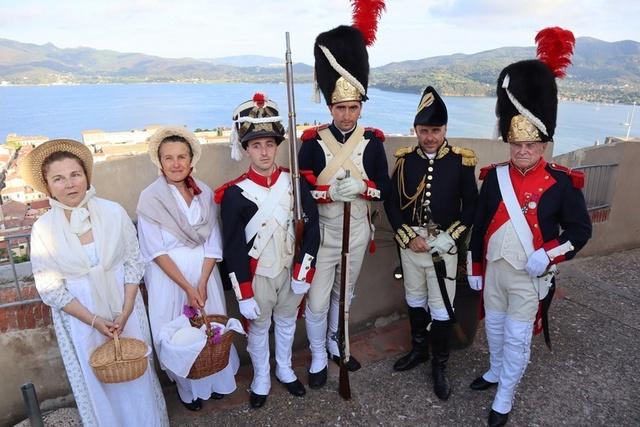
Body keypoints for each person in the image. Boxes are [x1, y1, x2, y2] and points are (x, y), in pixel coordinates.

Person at [467, 28, 592, 427]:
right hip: (495, 271)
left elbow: (580, 231)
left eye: (530, 146)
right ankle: (494, 370)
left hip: (529, 275)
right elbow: (479, 225)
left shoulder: (562, 183)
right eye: (517, 145)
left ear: (543, 146)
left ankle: (505, 394)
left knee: (518, 336)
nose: (522, 151)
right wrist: (474, 265)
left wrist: (550, 253)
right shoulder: (494, 176)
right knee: (494, 328)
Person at [24, 139, 169, 427]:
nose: (69, 184)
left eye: (75, 174)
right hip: (81, 320)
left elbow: (133, 261)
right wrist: (93, 321)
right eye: (58, 178)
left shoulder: (113, 211)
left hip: (125, 309)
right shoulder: (43, 229)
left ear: (86, 176)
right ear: (47, 185)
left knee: (136, 373)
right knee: (97, 381)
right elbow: (50, 287)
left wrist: (126, 311)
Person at [298, 25, 391, 389]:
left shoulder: (372, 142)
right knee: (318, 299)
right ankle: (318, 355)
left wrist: (364, 187)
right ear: (330, 107)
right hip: (324, 233)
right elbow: (304, 192)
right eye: (341, 108)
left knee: (345, 295)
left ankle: (339, 345)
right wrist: (329, 195)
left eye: (353, 108)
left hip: (358, 231)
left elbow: (383, 189)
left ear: (360, 107)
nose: (348, 115)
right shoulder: (312, 142)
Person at [216, 93, 320, 409]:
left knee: (287, 322)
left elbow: (313, 228)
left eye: (270, 144)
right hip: (257, 274)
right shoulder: (234, 194)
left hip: (290, 269)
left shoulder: (296, 183)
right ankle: (261, 376)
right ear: (245, 149)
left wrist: (304, 271)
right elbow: (233, 247)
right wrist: (243, 293)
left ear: (277, 146)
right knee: (259, 328)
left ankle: (284, 368)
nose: (264, 152)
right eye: (256, 145)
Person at [384, 86, 478, 400]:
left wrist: (450, 237)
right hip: (411, 246)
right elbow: (392, 203)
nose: (430, 137)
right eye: (424, 130)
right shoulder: (404, 161)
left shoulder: (461, 162)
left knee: (440, 308)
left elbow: (471, 206)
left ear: (445, 130)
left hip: (443, 247)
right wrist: (407, 237)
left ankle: (440, 365)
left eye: (435, 130)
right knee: (414, 299)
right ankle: (419, 350)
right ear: (416, 130)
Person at [137, 126, 239, 411]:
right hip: (170, 279)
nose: (175, 163)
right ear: (159, 161)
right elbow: (155, 250)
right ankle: (188, 389)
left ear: (191, 159)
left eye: (181, 156)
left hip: (204, 275)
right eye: (168, 157)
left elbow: (213, 241)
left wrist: (203, 282)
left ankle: (215, 381)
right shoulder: (150, 198)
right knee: (178, 333)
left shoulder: (204, 192)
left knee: (210, 327)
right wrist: (187, 287)